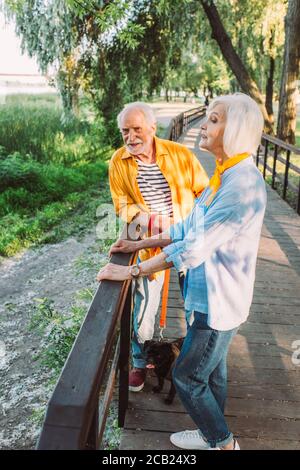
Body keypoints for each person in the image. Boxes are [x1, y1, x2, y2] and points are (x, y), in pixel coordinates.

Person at [97, 93, 267, 450]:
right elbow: (188, 224)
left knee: (187, 376)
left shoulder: (239, 186)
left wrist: (130, 272)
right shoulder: (227, 173)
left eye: (214, 120)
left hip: (218, 301)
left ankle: (221, 442)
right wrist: (138, 243)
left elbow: (191, 247)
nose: (203, 125)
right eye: (206, 118)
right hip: (207, 293)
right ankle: (211, 433)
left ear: (235, 129)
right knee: (214, 370)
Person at [108, 102, 209, 392]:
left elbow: (204, 192)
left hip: (189, 242)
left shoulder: (179, 155)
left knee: (195, 306)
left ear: (152, 128)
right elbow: (121, 203)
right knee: (143, 308)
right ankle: (140, 364)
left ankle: (191, 368)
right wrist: (148, 220)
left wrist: (185, 224)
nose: (130, 137)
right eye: (125, 131)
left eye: (137, 129)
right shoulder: (119, 161)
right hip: (151, 244)